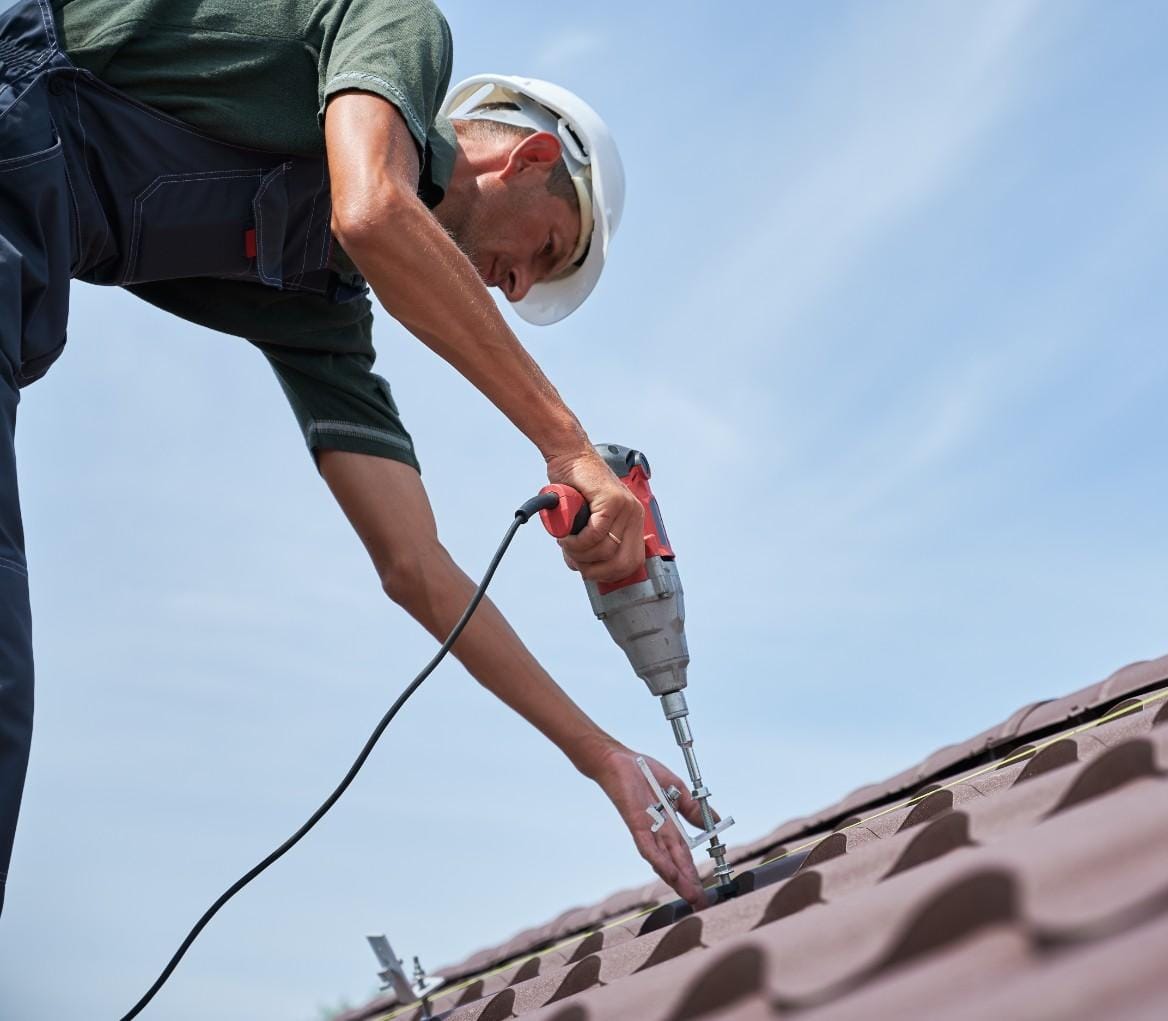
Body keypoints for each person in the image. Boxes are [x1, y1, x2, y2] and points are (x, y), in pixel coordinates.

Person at [0, 0, 712, 916]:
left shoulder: (322, 298)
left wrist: (600, 753)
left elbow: (416, 567)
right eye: (546, 248)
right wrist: (568, 445)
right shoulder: (399, 25)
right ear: (530, 160)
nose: (521, 284)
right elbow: (374, 208)